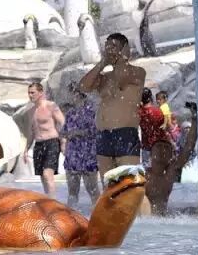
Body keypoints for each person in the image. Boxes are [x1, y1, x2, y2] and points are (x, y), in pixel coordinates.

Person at [79, 32, 146, 181]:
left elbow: (121, 78)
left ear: (125, 49)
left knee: (128, 184)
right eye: (107, 47)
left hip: (125, 133)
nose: (109, 50)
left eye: (114, 46)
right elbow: (83, 86)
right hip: (104, 135)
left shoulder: (138, 72)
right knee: (108, 184)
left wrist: (123, 57)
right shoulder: (105, 78)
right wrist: (102, 63)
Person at [144, 103, 198, 215]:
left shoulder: (169, 173)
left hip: (162, 219)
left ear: (171, 156)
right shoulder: (142, 175)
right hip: (145, 219)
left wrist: (195, 119)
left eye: (166, 148)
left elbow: (188, 147)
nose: (162, 150)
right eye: (159, 146)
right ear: (151, 154)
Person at [59, 84, 99, 206]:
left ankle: (98, 214)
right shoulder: (70, 113)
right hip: (72, 156)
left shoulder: (91, 111)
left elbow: (95, 131)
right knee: (72, 192)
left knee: (92, 190)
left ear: (78, 94)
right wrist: (64, 135)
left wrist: (77, 133)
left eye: (71, 93)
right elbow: (64, 132)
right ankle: (70, 215)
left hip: (88, 155)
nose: (69, 97)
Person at [23, 83, 65, 199]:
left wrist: (63, 141)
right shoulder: (31, 111)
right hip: (38, 145)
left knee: (47, 174)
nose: (30, 95)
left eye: (33, 92)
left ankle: (53, 202)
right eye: (29, 93)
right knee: (42, 176)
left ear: (41, 93)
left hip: (52, 142)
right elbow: (31, 132)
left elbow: (63, 123)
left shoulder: (51, 106)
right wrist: (26, 149)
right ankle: (48, 200)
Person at [138, 87, 171, 171]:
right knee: (160, 172)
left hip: (146, 147)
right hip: (158, 146)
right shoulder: (158, 112)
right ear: (151, 98)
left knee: (146, 172)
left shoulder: (139, 112)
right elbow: (168, 127)